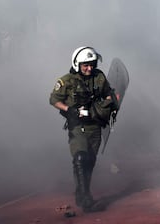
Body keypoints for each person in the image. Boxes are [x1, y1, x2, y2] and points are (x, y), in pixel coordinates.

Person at [49, 46, 118, 212]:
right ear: (77, 64)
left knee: (89, 162)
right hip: (77, 126)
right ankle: (86, 197)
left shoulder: (99, 77)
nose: (89, 68)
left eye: (92, 64)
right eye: (85, 65)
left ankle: (80, 192)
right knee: (80, 157)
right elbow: (53, 99)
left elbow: (109, 94)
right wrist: (68, 109)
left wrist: (109, 104)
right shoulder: (66, 81)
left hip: (95, 125)